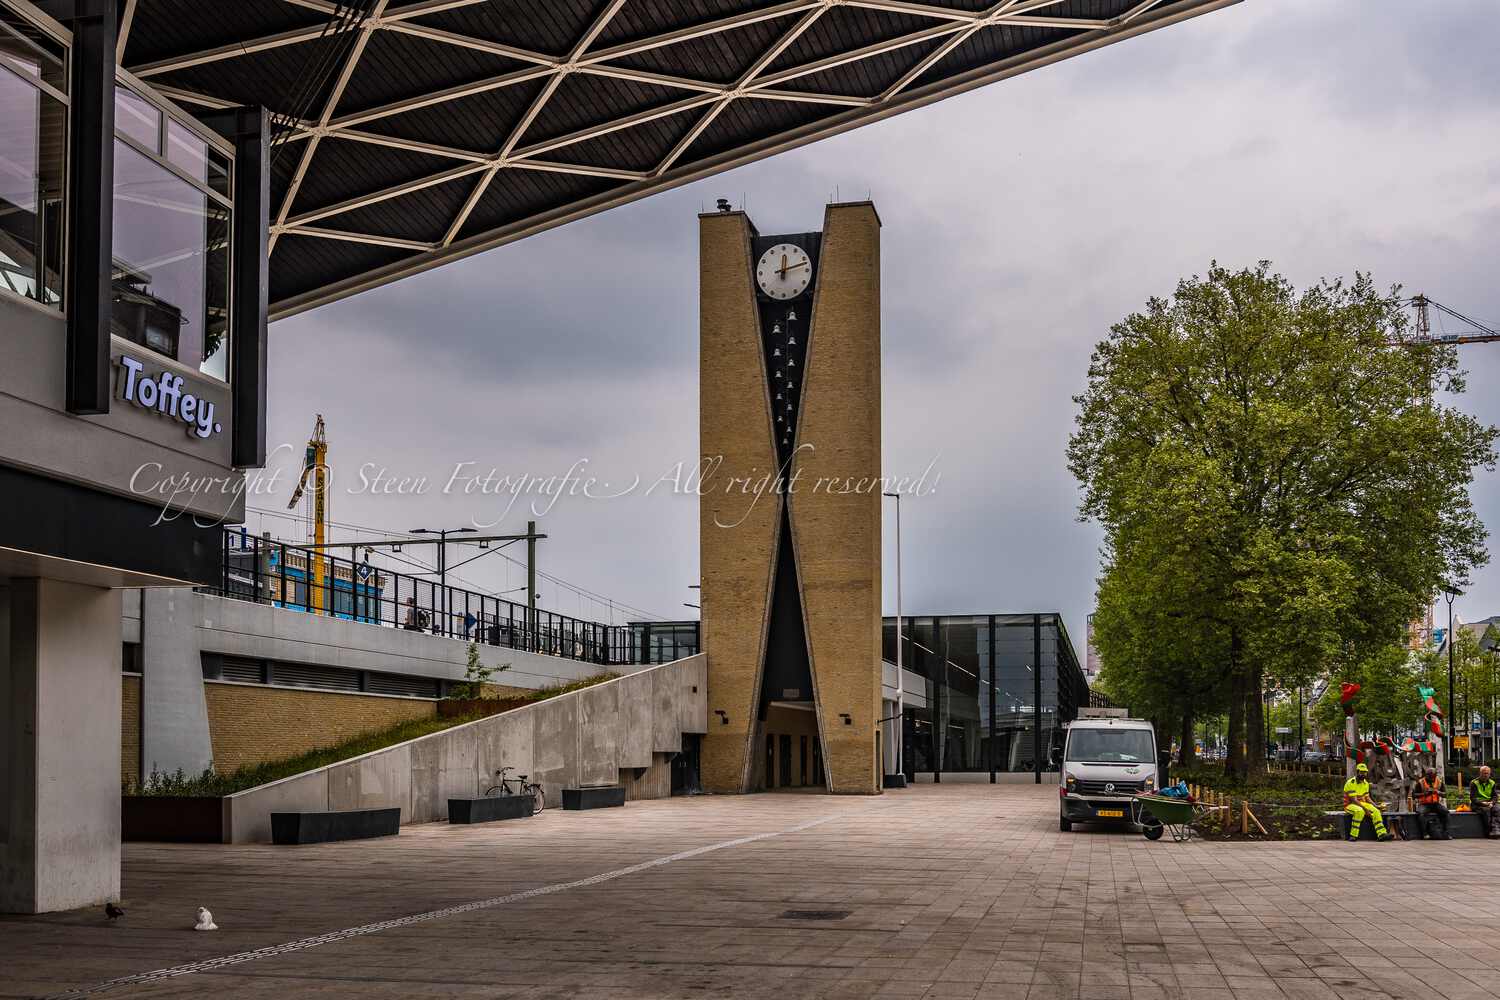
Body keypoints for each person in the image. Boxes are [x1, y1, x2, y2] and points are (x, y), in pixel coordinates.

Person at [1343, 762, 1391, 842]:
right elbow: (1354, 800)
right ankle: (1353, 835)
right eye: (1361, 772)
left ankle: (1382, 834)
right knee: (1359, 811)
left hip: (1362, 803)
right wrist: (1365, 809)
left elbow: (1367, 798)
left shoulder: (1366, 783)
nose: (1363, 774)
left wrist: (1376, 806)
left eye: (1365, 772)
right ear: (1357, 772)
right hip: (1350, 804)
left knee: (1376, 811)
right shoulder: (1350, 783)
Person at [1414, 767, 1450, 839]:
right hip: (1424, 804)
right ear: (1426, 775)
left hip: (1435, 804)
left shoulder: (1439, 782)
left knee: (1446, 812)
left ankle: (1445, 833)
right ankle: (1424, 834)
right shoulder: (1420, 782)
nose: (1431, 779)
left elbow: (1445, 794)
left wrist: (1438, 792)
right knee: (1421, 814)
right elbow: (1414, 795)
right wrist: (1425, 794)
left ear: (1435, 776)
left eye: (1432, 777)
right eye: (1429, 776)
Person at [1471, 766, 1500, 838]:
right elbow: (1473, 798)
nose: (1486, 775)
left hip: (1489, 802)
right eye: (1484, 773)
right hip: (1477, 804)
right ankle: (1488, 832)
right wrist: (1483, 803)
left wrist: (1492, 803)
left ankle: (1495, 830)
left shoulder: (1492, 783)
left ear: (1490, 774)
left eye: (1487, 773)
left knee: (1498, 809)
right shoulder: (1474, 782)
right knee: (1486, 811)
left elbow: (1495, 796)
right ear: (1480, 773)